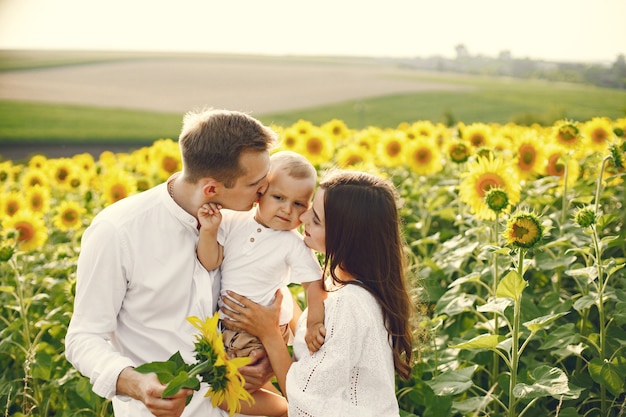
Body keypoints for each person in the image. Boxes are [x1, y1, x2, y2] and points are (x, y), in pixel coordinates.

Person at [65, 108, 278, 417]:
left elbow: (274, 296)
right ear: (211, 189)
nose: (264, 193)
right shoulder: (118, 231)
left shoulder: (247, 223)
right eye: (255, 184)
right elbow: (83, 338)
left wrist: (268, 353)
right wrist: (135, 383)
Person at [221, 170, 415, 417]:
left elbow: (308, 405)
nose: (302, 217)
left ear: (346, 237)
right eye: (310, 208)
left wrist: (269, 334)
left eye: (316, 219)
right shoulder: (353, 291)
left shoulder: (348, 304)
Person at [196, 150, 326, 417]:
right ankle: (288, 404)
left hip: (258, 327)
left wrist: (314, 322)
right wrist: (209, 231)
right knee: (248, 383)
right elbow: (211, 262)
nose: (287, 210)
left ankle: (286, 409)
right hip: (230, 324)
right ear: (260, 193)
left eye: (299, 204)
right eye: (279, 198)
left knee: (223, 395)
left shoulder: (292, 243)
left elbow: (314, 283)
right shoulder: (233, 221)